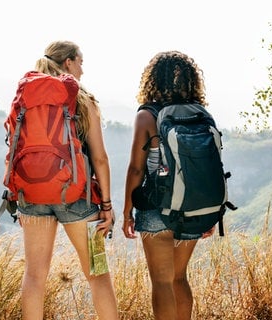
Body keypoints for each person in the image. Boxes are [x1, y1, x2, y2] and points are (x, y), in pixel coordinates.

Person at [18, 41, 118, 320]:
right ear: (69, 62)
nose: (83, 71)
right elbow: (100, 159)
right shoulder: (83, 100)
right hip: (78, 198)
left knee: (34, 276)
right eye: (81, 63)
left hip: (32, 195)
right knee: (98, 274)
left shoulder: (27, 96)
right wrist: (107, 206)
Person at [122, 50, 214, 320]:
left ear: (152, 80)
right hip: (194, 205)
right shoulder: (201, 115)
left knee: (162, 282)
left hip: (156, 208)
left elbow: (136, 168)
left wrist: (128, 210)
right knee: (179, 278)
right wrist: (208, 211)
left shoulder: (147, 116)